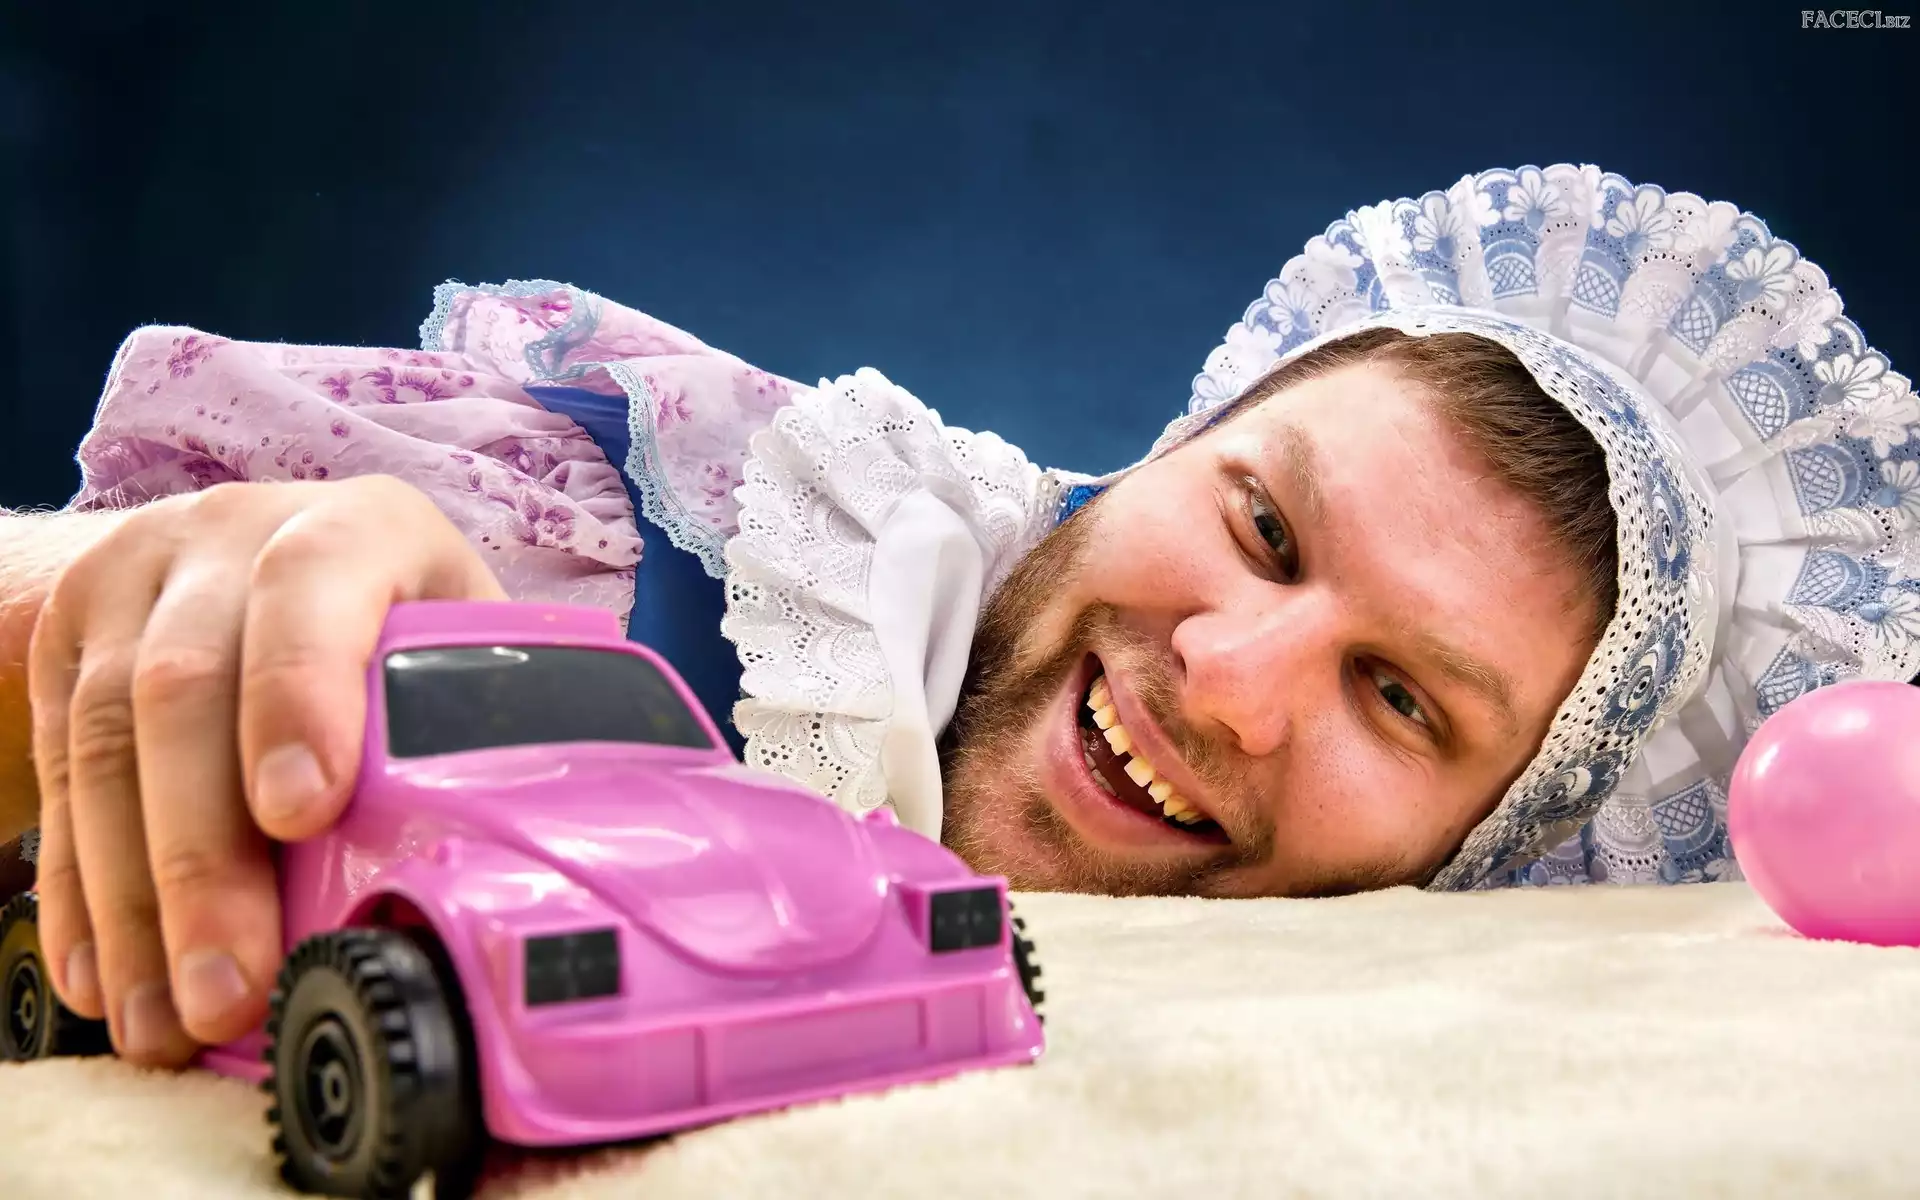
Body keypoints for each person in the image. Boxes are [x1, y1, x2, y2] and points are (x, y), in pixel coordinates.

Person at [0, 163, 1912, 1069]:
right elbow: (128, 619)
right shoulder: (647, 533)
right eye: (1259, 525)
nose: (1229, 682)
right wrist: (119, 619)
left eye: (1402, 703)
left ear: (1474, 854)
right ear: (1165, 446)